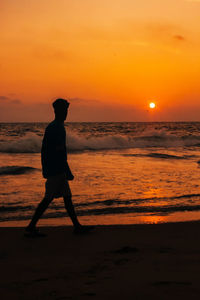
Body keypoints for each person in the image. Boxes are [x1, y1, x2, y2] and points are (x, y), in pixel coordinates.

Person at [25, 98, 94, 237]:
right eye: (64, 110)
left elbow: (46, 150)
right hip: (56, 169)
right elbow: (58, 151)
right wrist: (66, 170)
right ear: (58, 111)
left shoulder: (54, 126)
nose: (66, 113)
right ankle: (31, 227)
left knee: (67, 197)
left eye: (66, 110)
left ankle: (77, 226)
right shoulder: (57, 128)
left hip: (54, 168)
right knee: (48, 198)